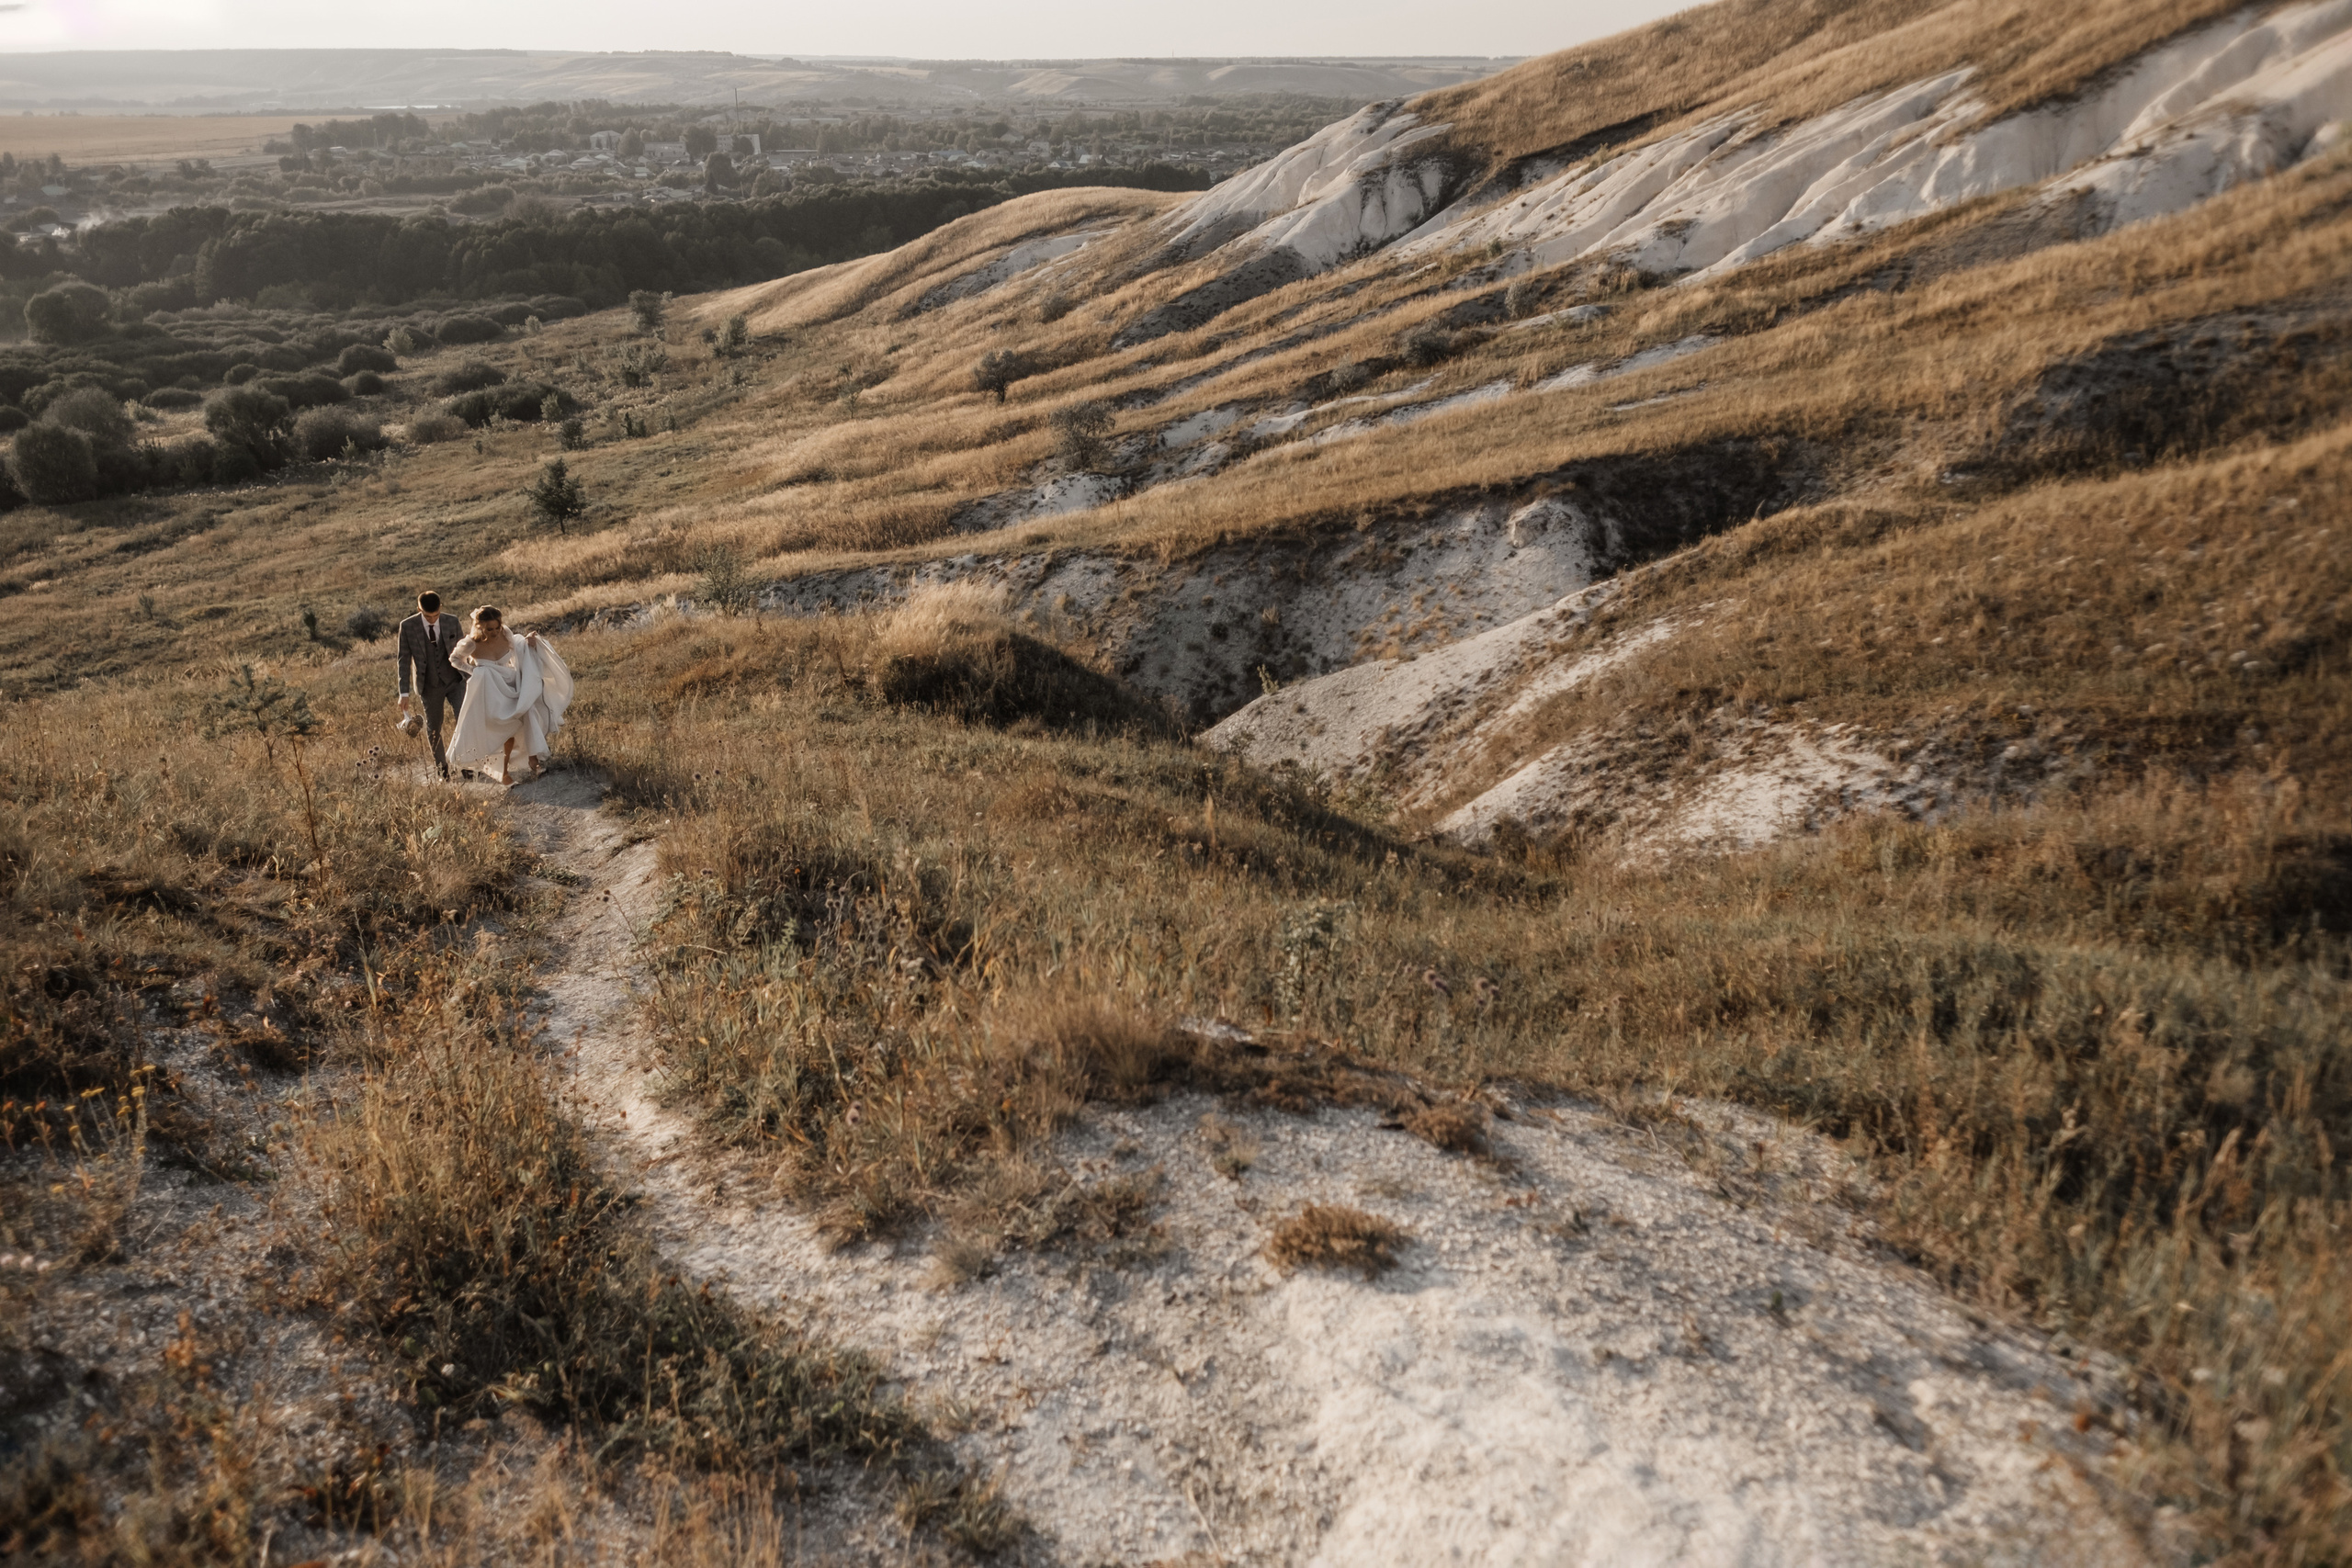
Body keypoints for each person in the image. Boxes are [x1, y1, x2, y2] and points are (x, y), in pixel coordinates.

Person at [446, 605, 574, 786]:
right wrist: (475, 671)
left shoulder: (505, 634)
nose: (495, 632)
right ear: (480, 627)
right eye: (490, 629)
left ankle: (533, 760)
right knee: (505, 729)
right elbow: (455, 660)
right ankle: (504, 774)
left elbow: (518, 648)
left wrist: (528, 642)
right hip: (491, 690)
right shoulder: (471, 643)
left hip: (511, 683)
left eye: (497, 627)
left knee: (528, 712)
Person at [395, 591, 466, 779]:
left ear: (440, 608)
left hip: (455, 680)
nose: (433, 620)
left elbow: (464, 651)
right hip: (429, 685)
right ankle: (442, 770)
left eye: (436, 615)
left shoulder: (452, 621)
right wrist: (404, 692)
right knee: (434, 727)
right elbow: (403, 660)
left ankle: (467, 764)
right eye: (428, 616)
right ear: (419, 610)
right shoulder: (407, 626)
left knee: (464, 720)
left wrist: (473, 676)